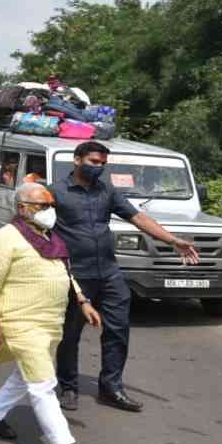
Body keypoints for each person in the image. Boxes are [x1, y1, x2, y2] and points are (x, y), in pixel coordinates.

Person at [52, 141, 199, 414]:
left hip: (109, 272)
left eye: (103, 164)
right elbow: (34, 226)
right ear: (77, 160)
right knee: (70, 333)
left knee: (118, 329)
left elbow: (138, 218)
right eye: (94, 162)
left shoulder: (107, 191)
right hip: (75, 275)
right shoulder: (56, 192)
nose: (99, 168)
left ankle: (111, 387)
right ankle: (68, 386)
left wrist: (173, 240)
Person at [0, 183, 103, 444]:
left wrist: (83, 301)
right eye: (42, 206)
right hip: (21, 322)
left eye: (51, 206)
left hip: (50, 322)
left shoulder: (50, 238)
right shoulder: (3, 239)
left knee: (24, 376)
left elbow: (66, 273)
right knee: (43, 383)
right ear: (22, 208)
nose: (49, 212)